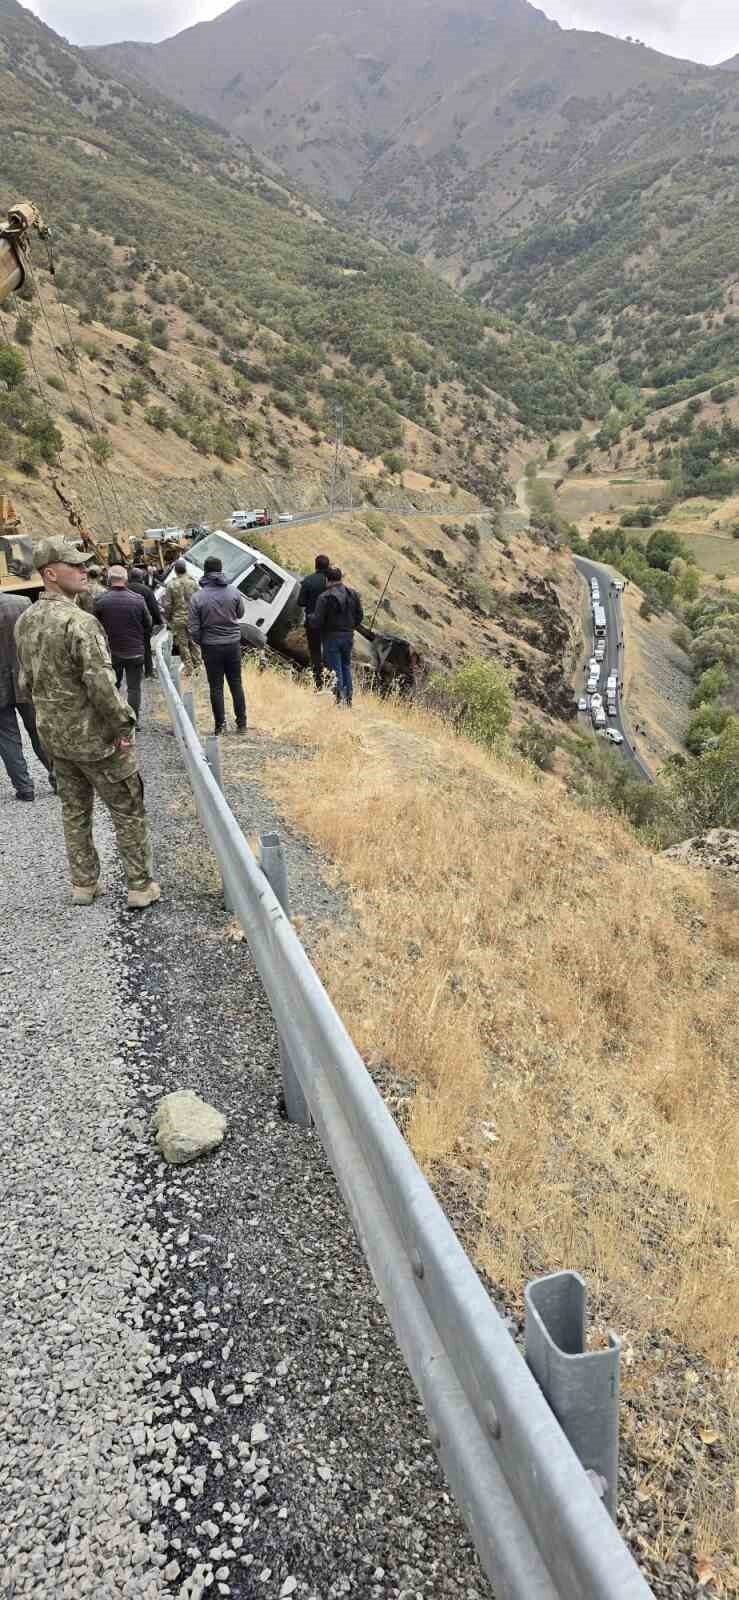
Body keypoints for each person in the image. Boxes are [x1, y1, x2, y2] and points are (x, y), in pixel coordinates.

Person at [15, 537, 159, 909]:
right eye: (74, 565)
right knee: (128, 809)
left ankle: (83, 885)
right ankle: (140, 887)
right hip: (97, 741)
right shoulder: (80, 623)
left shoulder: (25, 621)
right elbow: (102, 686)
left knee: (74, 812)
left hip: (56, 740)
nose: (83, 571)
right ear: (50, 573)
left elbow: (25, 683)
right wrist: (124, 728)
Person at [0, 591, 56, 801]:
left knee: (7, 738)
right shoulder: (22, 602)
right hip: (27, 679)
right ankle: (58, 779)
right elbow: (38, 639)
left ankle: (25, 788)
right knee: (39, 730)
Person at [188, 555, 246, 735]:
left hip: (211, 646)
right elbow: (240, 614)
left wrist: (202, 641)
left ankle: (220, 726)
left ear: (205, 571)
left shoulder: (197, 597)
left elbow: (193, 628)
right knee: (236, 683)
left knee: (216, 686)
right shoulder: (234, 592)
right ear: (221, 570)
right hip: (233, 644)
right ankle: (242, 724)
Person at [94, 566, 151, 727]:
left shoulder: (100, 600)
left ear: (109, 579)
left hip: (111, 652)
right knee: (134, 688)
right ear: (125, 579)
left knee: (113, 687)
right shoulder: (138, 599)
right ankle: (133, 721)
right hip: (135, 651)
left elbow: (95, 626)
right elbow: (148, 623)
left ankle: (115, 720)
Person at [313, 566, 363, 708]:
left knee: (335, 670)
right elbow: (360, 616)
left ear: (327, 580)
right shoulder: (353, 594)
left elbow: (317, 621)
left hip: (331, 637)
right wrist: (350, 627)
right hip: (348, 636)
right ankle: (348, 700)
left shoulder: (324, 597)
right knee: (346, 666)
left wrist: (310, 618)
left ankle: (339, 700)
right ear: (340, 578)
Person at [162, 559, 201, 675]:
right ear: (185, 569)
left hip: (178, 618)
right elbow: (199, 600)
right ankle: (198, 665)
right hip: (192, 617)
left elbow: (167, 604)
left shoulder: (171, 585)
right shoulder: (193, 583)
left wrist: (167, 618)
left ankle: (188, 668)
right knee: (194, 642)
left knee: (183, 644)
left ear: (175, 571)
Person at [298, 553, 330, 690]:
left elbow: (301, 602)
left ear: (315, 565)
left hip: (312, 623)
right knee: (329, 651)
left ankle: (318, 683)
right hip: (329, 623)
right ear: (327, 566)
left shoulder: (308, 581)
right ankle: (331, 680)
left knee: (315, 652)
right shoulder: (331, 582)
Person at [127, 566, 163, 678]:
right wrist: (158, 621)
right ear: (141, 577)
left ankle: (133, 671)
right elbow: (154, 608)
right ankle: (148, 671)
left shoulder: (125, 589)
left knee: (130, 647)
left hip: (127, 624)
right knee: (146, 647)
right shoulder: (146, 590)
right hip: (144, 624)